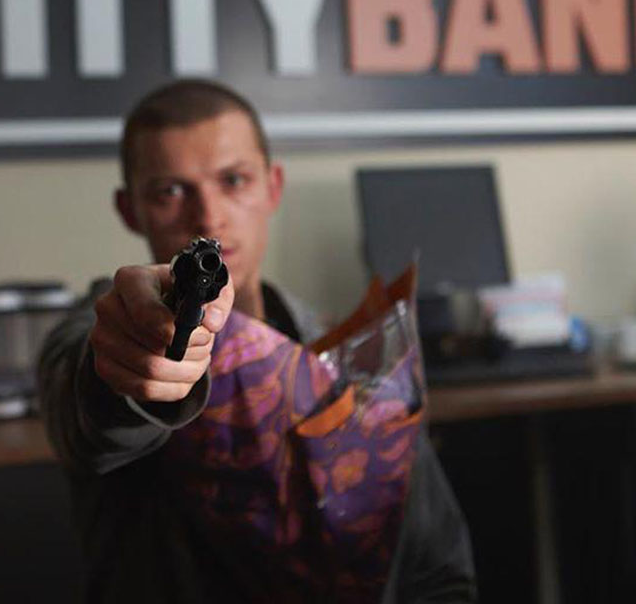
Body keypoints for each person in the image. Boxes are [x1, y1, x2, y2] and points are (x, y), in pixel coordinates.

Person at [38, 80, 477, 603]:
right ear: (130, 210)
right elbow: (88, 411)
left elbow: (435, 571)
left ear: (273, 187)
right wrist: (129, 364)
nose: (207, 217)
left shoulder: (356, 355)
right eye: (169, 191)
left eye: (234, 180)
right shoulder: (105, 328)